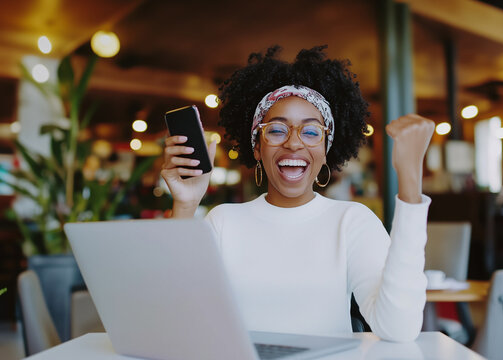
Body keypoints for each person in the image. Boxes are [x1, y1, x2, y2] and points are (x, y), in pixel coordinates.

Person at [161, 45, 434, 342]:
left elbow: (399, 329)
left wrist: (410, 184)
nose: (293, 144)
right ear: (257, 147)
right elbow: (179, 318)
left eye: (311, 131)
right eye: (276, 130)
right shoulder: (223, 221)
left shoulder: (353, 221)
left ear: (325, 149)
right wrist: (185, 205)